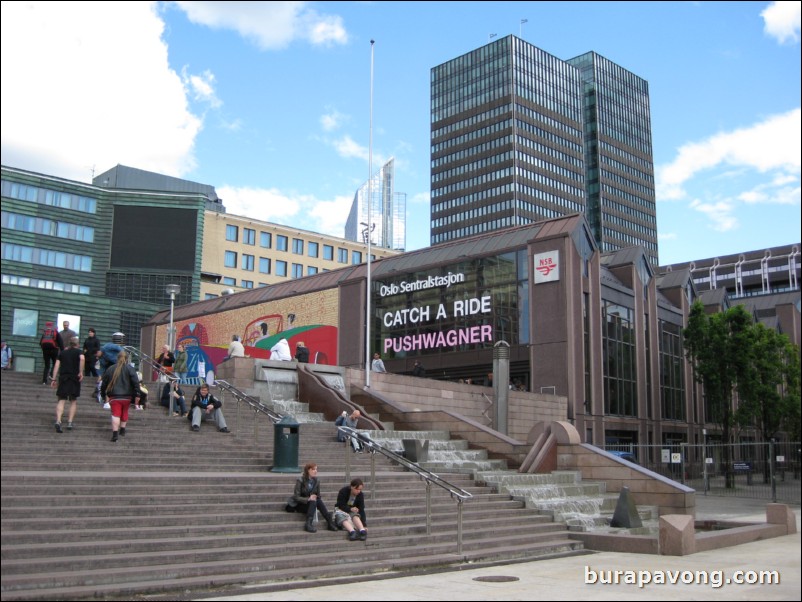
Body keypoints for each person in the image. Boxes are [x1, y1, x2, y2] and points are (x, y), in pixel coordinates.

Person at [100, 350, 142, 443]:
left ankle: (115, 434)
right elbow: (136, 382)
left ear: (117, 358)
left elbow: (104, 383)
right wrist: (137, 394)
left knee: (116, 414)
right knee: (124, 411)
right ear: (127, 359)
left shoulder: (111, 368)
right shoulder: (130, 369)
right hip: (127, 396)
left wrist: (103, 395)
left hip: (114, 396)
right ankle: (122, 429)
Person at [287, 462, 338, 533]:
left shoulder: (317, 481)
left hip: (311, 504)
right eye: (313, 469)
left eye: (316, 469)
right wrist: (308, 498)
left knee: (317, 500)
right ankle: (308, 524)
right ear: (308, 470)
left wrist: (315, 496)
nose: (315, 471)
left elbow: (319, 496)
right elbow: (296, 497)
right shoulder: (300, 480)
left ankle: (329, 522)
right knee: (313, 501)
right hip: (299, 504)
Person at [51, 337, 85, 433]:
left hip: (63, 378)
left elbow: (57, 365)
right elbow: (82, 359)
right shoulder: (79, 351)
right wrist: (81, 372)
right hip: (74, 378)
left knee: (61, 400)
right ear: (77, 344)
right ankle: (70, 422)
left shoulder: (63, 353)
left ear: (69, 344)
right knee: (73, 401)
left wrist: (53, 378)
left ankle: (58, 420)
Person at [97, 332, 125, 408]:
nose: (97, 355)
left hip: (115, 365)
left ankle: (107, 399)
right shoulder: (102, 358)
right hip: (111, 368)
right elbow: (102, 367)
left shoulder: (107, 347)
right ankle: (106, 399)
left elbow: (117, 348)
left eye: (97, 353)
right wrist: (100, 376)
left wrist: (122, 353)